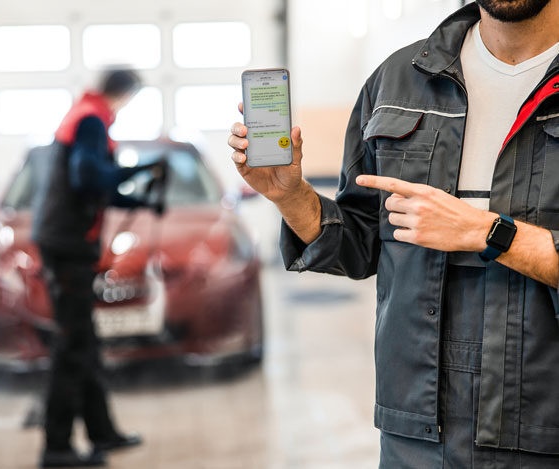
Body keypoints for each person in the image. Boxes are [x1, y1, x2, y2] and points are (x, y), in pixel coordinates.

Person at [229, 1, 559, 467]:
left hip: (546, 433)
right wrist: (290, 196)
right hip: (417, 436)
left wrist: (488, 232)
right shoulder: (398, 81)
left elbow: (480, 232)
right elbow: (359, 245)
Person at [33, 69, 162, 468]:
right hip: (68, 247)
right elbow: (88, 178)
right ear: (125, 94)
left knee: (85, 344)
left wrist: (136, 201)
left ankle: (102, 431)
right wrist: (137, 171)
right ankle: (56, 448)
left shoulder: (85, 113)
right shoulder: (91, 119)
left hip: (65, 242)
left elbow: (94, 187)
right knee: (72, 346)